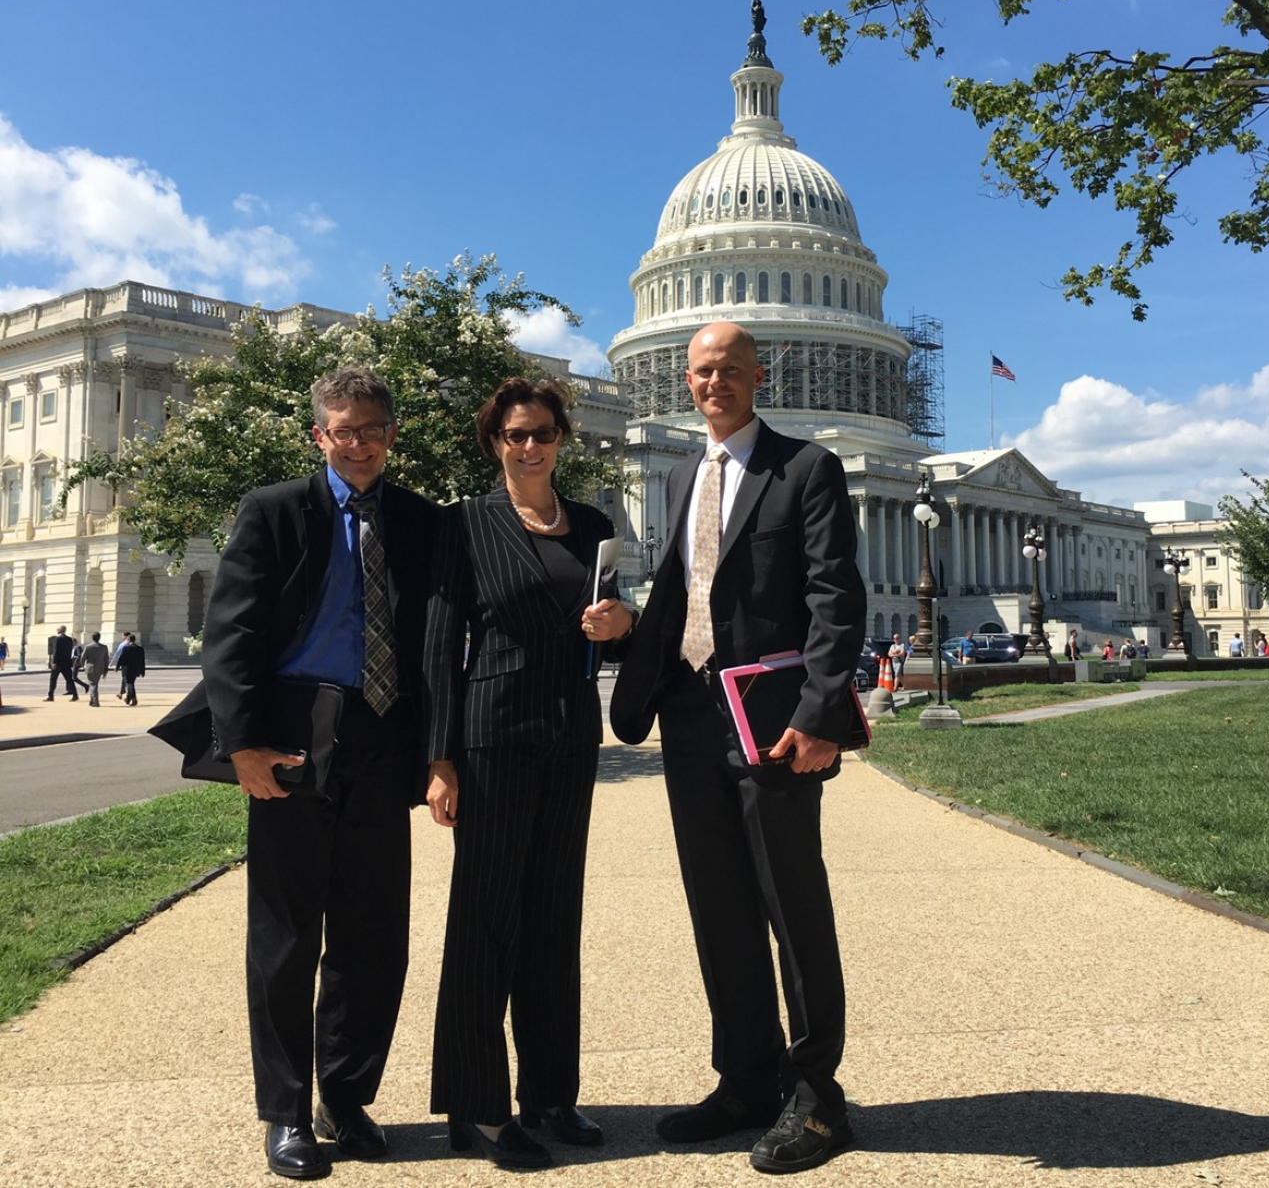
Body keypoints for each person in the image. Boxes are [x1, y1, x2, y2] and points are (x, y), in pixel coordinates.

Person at [612, 321, 866, 1175]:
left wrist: (825, 714)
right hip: (690, 715)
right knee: (718, 906)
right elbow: (684, 596)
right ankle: (745, 1079)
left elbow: (836, 596)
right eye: (700, 371)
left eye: (727, 369)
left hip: (774, 722)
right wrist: (627, 643)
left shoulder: (806, 468)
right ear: (684, 382)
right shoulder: (686, 472)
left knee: (791, 905)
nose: (712, 383)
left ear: (761, 374)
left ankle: (817, 1097)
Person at [199, 366, 439, 1180]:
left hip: (383, 738)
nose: (358, 442)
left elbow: (437, 646)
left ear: (391, 433)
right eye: (343, 429)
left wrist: (439, 754)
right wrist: (242, 747)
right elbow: (228, 634)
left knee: (374, 937)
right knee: (285, 936)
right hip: (293, 735)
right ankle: (287, 1112)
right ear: (319, 436)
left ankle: (347, 1095)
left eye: (372, 428)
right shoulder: (274, 510)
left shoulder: (417, 521)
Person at [423, 378, 634, 1171]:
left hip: (570, 733)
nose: (530, 445)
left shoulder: (593, 528)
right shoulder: (466, 525)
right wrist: (439, 760)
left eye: (542, 432)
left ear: (561, 438)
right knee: (485, 921)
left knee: (553, 919)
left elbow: (606, 633)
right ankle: (477, 1108)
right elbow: (440, 645)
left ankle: (551, 1093)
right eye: (515, 434)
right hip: (490, 736)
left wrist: (622, 624)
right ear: (495, 442)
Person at [45, 626, 79, 701]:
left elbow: (56, 651)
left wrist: (54, 662)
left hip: (58, 663)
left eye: (58, 629)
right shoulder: (69, 639)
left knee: (53, 679)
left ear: (60, 630)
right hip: (66, 662)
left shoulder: (57, 639)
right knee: (69, 680)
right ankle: (75, 695)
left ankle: (51, 696)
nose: (57, 630)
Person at [82, 631, 111, 707]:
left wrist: (81, 665)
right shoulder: (104, 647)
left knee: (92, 684)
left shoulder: (88, 647)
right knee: (94, 684)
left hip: (90, 667)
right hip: (100, 667)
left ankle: (95, 701)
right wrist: (106, 668)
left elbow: (83, 657)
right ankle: (92, 700)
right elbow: (106, 659)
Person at [118, 633, 145, 705]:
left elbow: (121, 658)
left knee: (129, 684)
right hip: (136, 669)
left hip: (127, 669)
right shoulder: (140, 649)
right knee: (131, 683)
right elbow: (142, 661)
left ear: (129, 640)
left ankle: (134, 699)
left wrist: (117, 667)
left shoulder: (126, 648)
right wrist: (142, 671)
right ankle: (128, 699)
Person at [111, 631, 132, 698]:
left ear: (125, 636)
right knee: (126, 680)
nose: (122, 637)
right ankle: (121, 692)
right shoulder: (132, 645)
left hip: (125, 664)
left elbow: (118, 654)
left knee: (126, 680)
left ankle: (128, 695)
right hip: (132, 665)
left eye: (122, 636)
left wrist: (113, 663)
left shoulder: (123, 645)